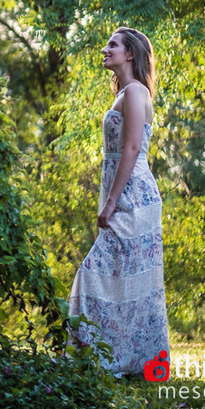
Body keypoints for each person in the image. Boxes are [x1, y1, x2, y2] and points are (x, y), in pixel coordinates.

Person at [68, 27, 171, 377]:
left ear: (130, 54)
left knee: (95, 274)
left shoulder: (136, 91)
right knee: (120, 279)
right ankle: (114, 359)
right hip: (123, 193)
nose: (105, 48)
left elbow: (131, 149)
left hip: (134, 198)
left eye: (112, 44)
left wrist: (111, 203)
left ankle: (112, 359)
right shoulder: (126, 92)